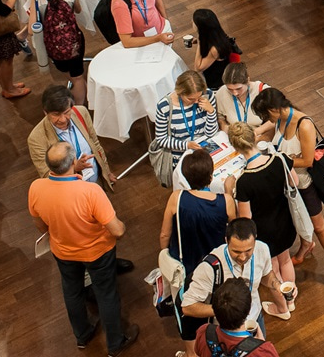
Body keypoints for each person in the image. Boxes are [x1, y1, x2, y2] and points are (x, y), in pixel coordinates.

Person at [29, 142, 140, 356]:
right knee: (106, 294)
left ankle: (82, 335)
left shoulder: (36, 188)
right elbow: (117, 231)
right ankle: (116, 342)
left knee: (72, 290)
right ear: (73, 162)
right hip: (97, 252)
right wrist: (123, 226)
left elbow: (41, 226)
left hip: (63, 251)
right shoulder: (91, 191)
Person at [252, 87, 324, 294]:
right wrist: (258, 136)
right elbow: (270, 129)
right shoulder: (280, 118)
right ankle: (305, 246)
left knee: (319, 226)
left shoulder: (304, 125)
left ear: (275, 109)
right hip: (285, 183)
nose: (266, 119)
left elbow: (307, 160)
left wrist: (279, 160)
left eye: (266, 114)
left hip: (304, 184)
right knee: (294, 218)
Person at [160, 148, 234, 352]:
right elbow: (235, 230)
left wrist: (165, 254)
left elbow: (164, 235)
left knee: (188, 320)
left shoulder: (176, 198)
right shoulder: (225, 202)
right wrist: (228, 190)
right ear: (211, 176)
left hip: (184, 269)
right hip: (216, 270)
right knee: (218, 315)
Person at [222, 123, 297, 306]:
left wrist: (229, 192)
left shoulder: (245, 181)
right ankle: (291, 298)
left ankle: (282, 305)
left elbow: (246, 219)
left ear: (236, 148)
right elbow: (293, 182)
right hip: (284, 219)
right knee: (286, 259)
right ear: (254, 137)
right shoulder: (279, 159)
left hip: (264, 231)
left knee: (272, 268)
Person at [183, 218, 290, 338]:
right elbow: (188, 307)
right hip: (226, 329)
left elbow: (266, 275)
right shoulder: (210, 268)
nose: (243, 257)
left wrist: (277, 285)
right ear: (226, 241)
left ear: (255, 239)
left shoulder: (262, 249)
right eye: (236, 251)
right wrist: (227, 310)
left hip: (255, 318)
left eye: (248, 250)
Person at [27, 85, 117, 188]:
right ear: (45, 112)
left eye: (66, 112)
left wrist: (107, 172)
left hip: (96, 182)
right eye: (56, 114)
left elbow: (95, 144)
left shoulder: (81, 112)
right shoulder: (36, 138)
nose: (63, 119)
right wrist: (74, 168)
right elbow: (46, 175)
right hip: (71, 191)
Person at [38, 0, 88, 104]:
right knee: (78, 77)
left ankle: (82, 92)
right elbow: (78, 10)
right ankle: (80, 107)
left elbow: (31, 28)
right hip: (74, 43)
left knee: (71, 75)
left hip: (54, 46)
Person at [194, 278, 282, 357]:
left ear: (214, 310)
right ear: (248, 311)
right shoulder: (263, 352)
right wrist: (260, 345)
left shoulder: (204, 333)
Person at [154, 70, 219, 171]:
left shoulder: (208, 95)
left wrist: (211, 112)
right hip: (182, 156)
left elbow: (211, 133)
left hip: (206, 151)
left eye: (199, 97)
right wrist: (186, 145)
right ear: (180, 93)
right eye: (191, 99)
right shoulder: (165, 106)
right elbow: (161, 139)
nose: (196, 101)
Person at [215, 62, 273, 139]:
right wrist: (224, 126)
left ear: (248, 80)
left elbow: (277, 118)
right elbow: (219, 116)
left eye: (239, 88)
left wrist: (256, 132)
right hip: (234, 137)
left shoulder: (263, 91)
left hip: (259, 136)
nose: (235, 93)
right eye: (230, 89)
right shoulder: (221, 93)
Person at [192, 7, 240, 89]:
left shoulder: (215, 50)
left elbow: (198, 68)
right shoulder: (218, 36)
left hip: (217, 85)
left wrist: (200, 42)